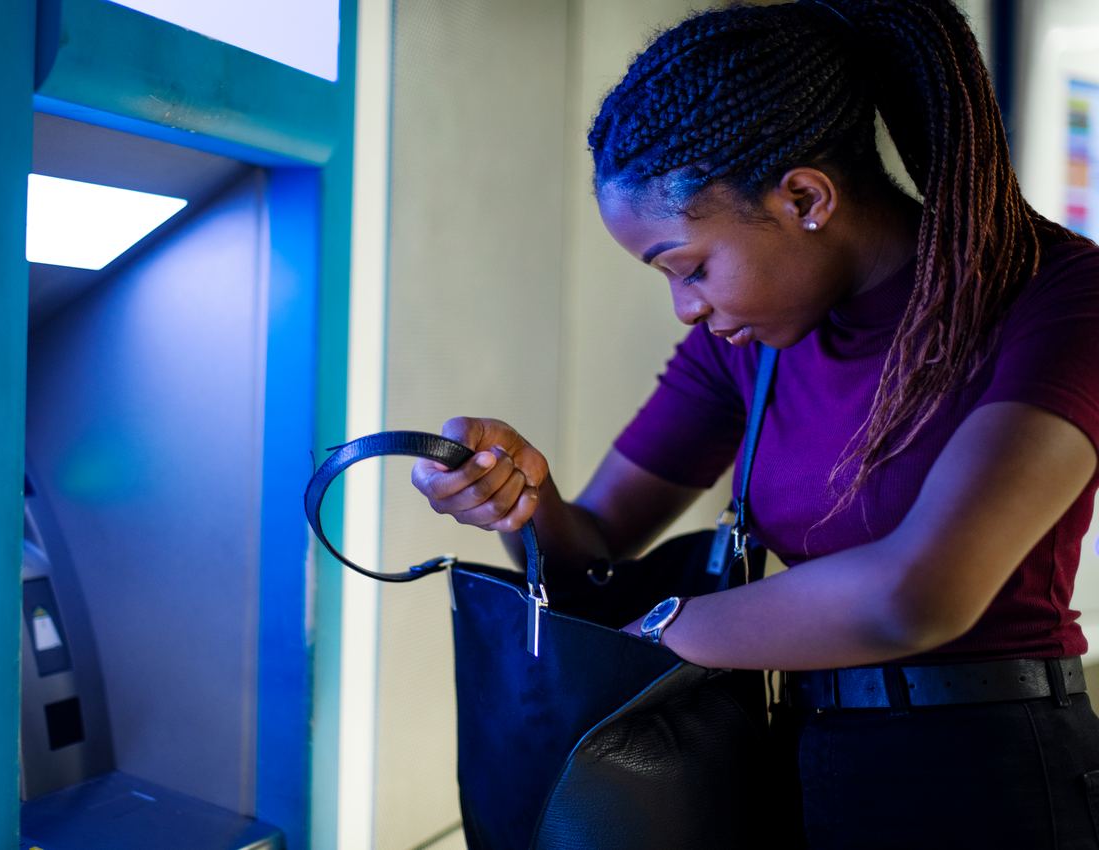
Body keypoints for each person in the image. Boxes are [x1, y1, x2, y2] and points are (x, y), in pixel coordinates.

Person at [410, 0, 1099, 847]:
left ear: (805, 196)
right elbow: (590, 554)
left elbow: (918, 593)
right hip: (804, 763)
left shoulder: (1058, 298)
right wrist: (520, 496)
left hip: (993, 775)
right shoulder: (750, 347)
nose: (685, 308)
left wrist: (662, 632)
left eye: (690, 268)